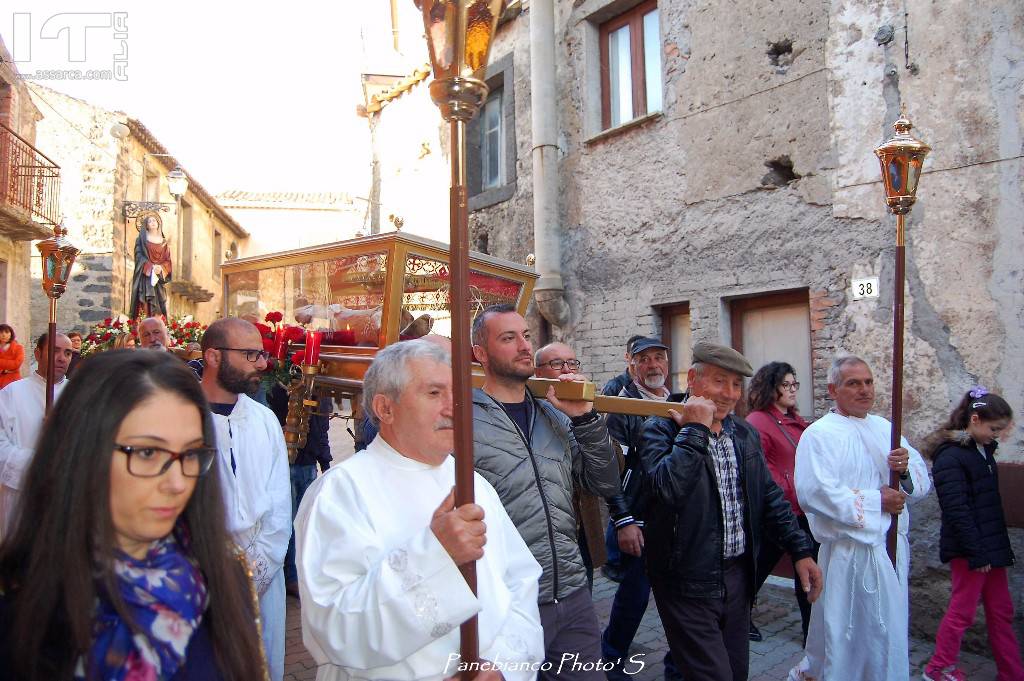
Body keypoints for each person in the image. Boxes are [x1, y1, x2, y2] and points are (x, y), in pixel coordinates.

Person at [0, 350, 266, 680]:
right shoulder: (21, 613)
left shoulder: (222, 578)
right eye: (147, 452)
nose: (177, 482)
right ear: (83, 453)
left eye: (190, 453)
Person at [295, 340, 544, 680]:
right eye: (433, 393)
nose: (453, 408)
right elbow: (335, 629)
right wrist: (435, 554)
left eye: (457, 393)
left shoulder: (472, 484)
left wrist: (502, 665)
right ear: (386, 409)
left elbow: (520, 581)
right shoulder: (339, 493)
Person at [640, 341, 822, 681]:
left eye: (737, 384)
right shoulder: (661, 427)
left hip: (738, 578)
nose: (729, 393)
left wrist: (800, 549)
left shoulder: (743, 433)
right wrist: (694, 430)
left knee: (736, 671)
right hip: (686, 580)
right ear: (693, 379)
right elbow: (665, 490)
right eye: (720, 381)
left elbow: (768, 495)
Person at [471, 304, 620, 680]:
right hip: (508, 601)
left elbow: (604, 483)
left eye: (525, 335)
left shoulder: (554, 415)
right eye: (508, 338)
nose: (524, 346)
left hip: (572, 592)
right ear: (481, 353)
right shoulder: (463, 420)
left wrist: (585, 419)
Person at [790, 355, 931, 681]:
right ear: (833, 389)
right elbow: (815, 492)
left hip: (889, 551)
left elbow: (920, 483)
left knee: (888, 633)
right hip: (848, 556)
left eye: (868, 382)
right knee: (847, 636)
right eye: (854, 383)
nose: (864, 390)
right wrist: (874, 501)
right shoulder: (819, 435)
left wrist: (905, 470)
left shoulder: (885, 429)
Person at [200, 318, 291, 680]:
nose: (261, 364)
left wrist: (258, 569)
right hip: (204, 572)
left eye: (262, 354)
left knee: (260, 662)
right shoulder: (184, 417)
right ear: (212, 356)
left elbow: (279, 501)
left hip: (262, 572)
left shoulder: (264, 419)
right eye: (250, 354)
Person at [923, 387, 1023, 681]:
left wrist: (994, 550)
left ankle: (1011, 673)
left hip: (991, 547)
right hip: (970, 550)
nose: (998, 436)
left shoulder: (983, 452)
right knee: (962, 612)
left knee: (1001, 611)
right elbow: (957, 510)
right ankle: (938, 668)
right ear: (975, 419)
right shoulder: (951, 457)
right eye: (994, 429)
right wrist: (977, 553)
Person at [601, 337, 679, 680]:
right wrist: (624, 519)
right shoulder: (622, 407)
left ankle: (679, 665)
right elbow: (609, 470)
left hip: (677, 517)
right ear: (632, 365)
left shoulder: (679, 403)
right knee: (635, 594)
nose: (653, 366)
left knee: (682, 598)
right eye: (644, 359)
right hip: (641, 515)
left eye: (658, 358)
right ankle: (611, 657)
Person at [744, 361, 816, 644]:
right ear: (770, 388)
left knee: (806, 567)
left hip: (804, 509)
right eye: (785, 384)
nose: (792, 390)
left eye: (794, 384)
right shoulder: (759, 421)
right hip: (779, 511)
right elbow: (762, 469)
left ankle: (811, 630)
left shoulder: (796, 420)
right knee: (759, 566)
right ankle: (739, 613)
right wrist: (786, 496)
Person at [534, 342, 605, 592]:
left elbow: (611, 470)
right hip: (544, 538)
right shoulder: (531, 410)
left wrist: (588, 417)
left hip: (580, 527)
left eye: (572, 363)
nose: (567, 370)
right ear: (537, 372)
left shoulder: (585, 405)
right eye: (556, 364)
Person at [0, 332, 72, 538]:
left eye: (67, 353)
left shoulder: (79, 395)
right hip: (22, 497)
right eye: (55, 350)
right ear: (38, 353)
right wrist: (38, 465)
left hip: (64, 496)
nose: (62, 358)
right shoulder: (11, 394)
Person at [131, 214, 173, 318]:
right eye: (150, 221)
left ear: (158, 224)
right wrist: (150, 267)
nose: (153, 222)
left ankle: (158, 325)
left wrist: (162, 268)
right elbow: (138, 256)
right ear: (146, 225)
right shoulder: (141, 240)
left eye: (155, 220)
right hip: (145, 278)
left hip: (158, 279)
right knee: (145, 304)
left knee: (160, 303)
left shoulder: (163, 243)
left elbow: (167, 260)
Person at [0, 324, 23, 390]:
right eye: (1, 332)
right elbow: (13, 364)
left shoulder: (18, 348)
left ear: (11, 334)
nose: (4, 335)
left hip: (13, 381)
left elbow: (16, 364)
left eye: (6, 332)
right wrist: (5, 370)